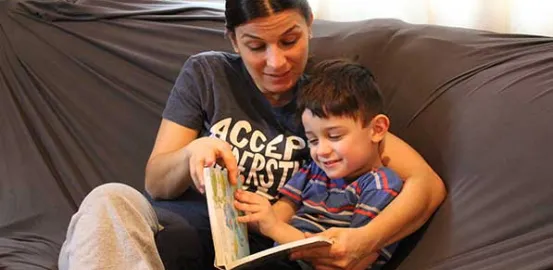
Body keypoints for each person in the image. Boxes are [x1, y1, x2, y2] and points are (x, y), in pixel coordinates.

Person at [58, 0, 446, 269]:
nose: (276, 62)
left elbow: (426, 184)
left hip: (256, 251)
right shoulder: (206, 74)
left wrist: (366, 240)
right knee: (105, 202)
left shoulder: (323, 104)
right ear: (232, 39)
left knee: (87, 244)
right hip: (170, 228)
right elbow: (155, 182)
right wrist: (195, 151)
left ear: (309, 23)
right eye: (256, 46)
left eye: (290, 41)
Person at [234, 59, 403, 270]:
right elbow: (280, 213)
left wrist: (275, 228)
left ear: (377, 129)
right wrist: (250, 209)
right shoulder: (315, 170)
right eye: (313, 140)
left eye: (334, 136)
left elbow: (352, 260)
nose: (321, 151)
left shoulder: (381, 186)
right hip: (280, 257)